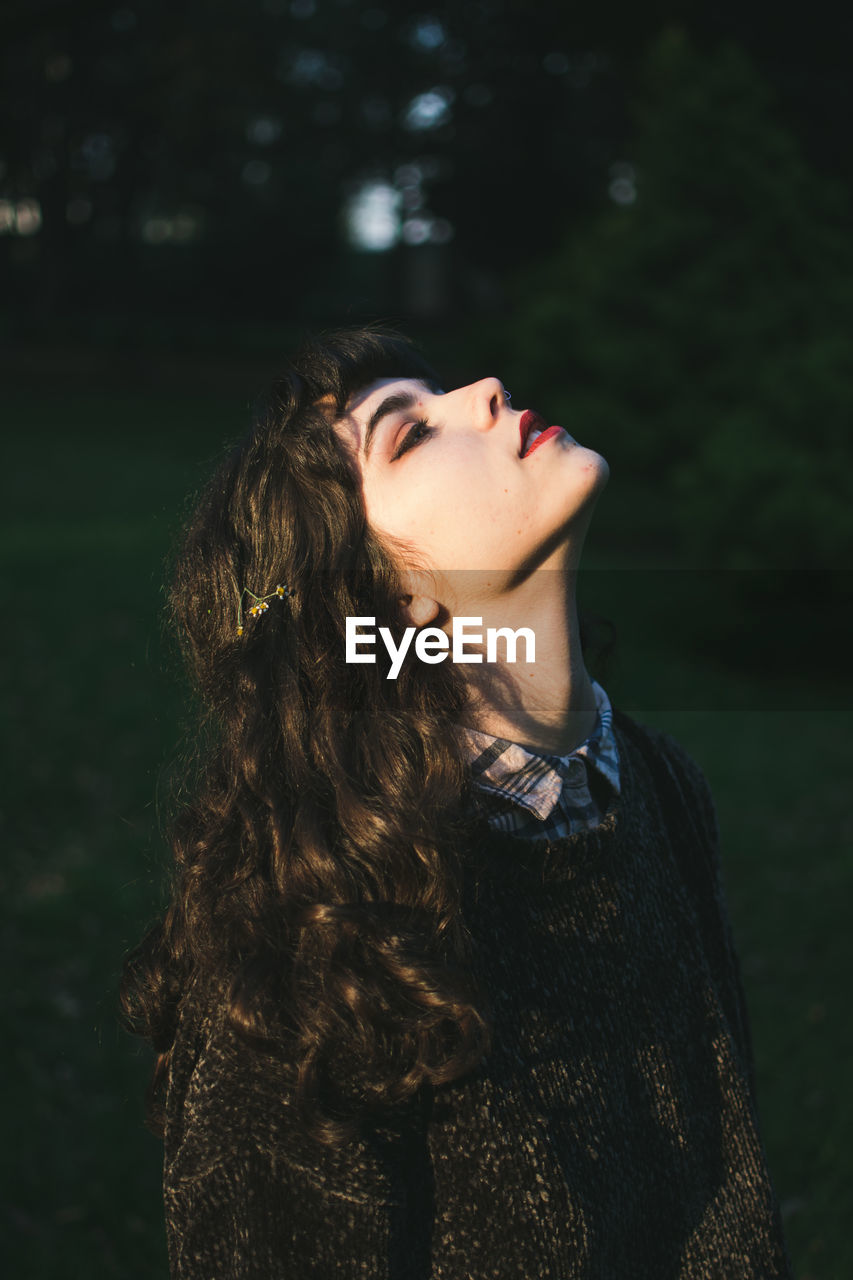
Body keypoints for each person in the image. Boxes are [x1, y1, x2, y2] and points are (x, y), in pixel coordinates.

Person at [120, 326, 793, 1278]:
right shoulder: (309, 949)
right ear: (384, 603)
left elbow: (730, 1192)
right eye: (412, 435)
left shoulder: (660, 787)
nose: (483, 389)